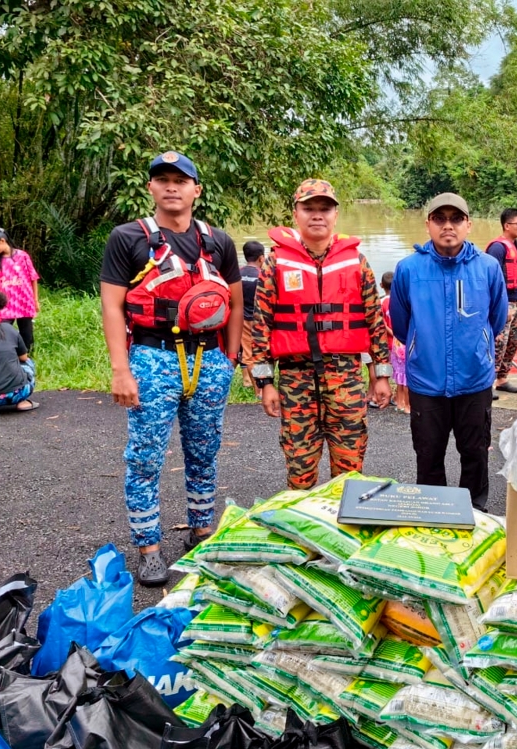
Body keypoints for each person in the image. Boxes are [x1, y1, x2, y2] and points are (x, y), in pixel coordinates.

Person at [100, 151, 243, 586]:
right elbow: (112, 306)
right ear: (151, 188)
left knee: (204, 451)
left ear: (196, 189)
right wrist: (121, 370)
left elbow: (235, 302)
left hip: (208, 359)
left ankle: (202, 531)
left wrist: (230, 357)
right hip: (152, 357)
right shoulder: (128, 238)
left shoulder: (217, 242)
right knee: (144, 457)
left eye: (181, 180)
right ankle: (148, 547)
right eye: (162, 179)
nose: (171, 186)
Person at [250, 179, 391, 490]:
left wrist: (380, 376)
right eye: (308, 208)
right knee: (299, 472)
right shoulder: (275, 263)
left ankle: (344, 531)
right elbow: (261, 324)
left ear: (335, 215)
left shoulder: (357, 262)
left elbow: (374, 322)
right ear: (295, 214)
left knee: (350, 474)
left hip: (346, 379)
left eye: (324, 208)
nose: (317, 215)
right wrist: (264, 383)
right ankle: (302, 527)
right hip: (295, 379)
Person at [389, 193, 507, 510]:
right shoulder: (408, 270)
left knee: (475, 452)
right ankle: (433, 514)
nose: (448, 226)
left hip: (474, 379)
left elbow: (496, 319)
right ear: (428, 224)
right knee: (428, 454)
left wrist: (476, 343)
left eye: (455, 219)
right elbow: (401, 325)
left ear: (468, 224)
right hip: (427, 382)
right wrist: (422, 347)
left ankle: (476, 513)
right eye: (439, 219)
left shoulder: (488, 268)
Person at [486, 207, 517, 396]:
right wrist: (500, 306)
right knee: (498, 345)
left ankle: (502, 378)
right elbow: (490, 279)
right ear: (506, 225)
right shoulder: (497, 248)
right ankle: (488, 383)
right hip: (505, 305)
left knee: (512, 344)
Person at [0, 228, 40, 351]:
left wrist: (35, 300)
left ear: (2, 240)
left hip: (24, 301)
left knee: (27, 334)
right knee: (1, 331)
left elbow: (33, 278)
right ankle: (6, 355)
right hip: (5, 304)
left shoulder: (23, 256)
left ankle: (27, 358)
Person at [0, 288, 37, 412]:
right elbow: (23, 358)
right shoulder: (9, 329)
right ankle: (22, 401)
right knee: (28, 363)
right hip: (16, 393)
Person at [380, 271, 409, 414]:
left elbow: (381, 323)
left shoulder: (382, 302)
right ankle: (401, 400)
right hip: (402, 343)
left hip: (390, 343)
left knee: (394, 372)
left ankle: (382, 392)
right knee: (403, 374)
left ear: (381, 285)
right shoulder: (403, 301)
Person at [239, 240, 265, 392]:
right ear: (261, 258)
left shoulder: (238, 274)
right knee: (261, 356)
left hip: (243, 321)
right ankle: (262, 389)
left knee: (248, 356)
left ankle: (258, 390)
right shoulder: (262, 276)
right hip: (260, 321)